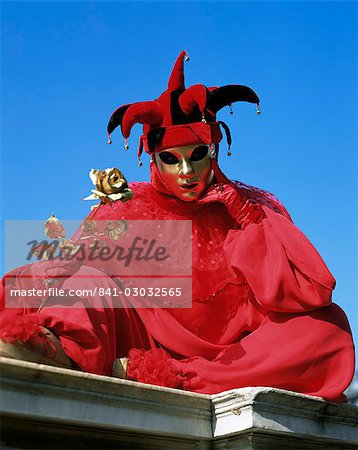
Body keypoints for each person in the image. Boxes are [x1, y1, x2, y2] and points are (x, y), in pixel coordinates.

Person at [0, 51, 354, 402]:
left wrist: (244, 216)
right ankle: (59, 352)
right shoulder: (126, 208)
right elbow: (69, 271)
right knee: (86, 280)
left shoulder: (250, 207)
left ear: (214, 150)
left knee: (327, 328)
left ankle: (185, 378)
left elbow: (313, 291)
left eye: (198, 155)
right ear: (152, 159)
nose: (186, 172)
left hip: (234, 358)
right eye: (171, 159)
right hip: (138, 347)